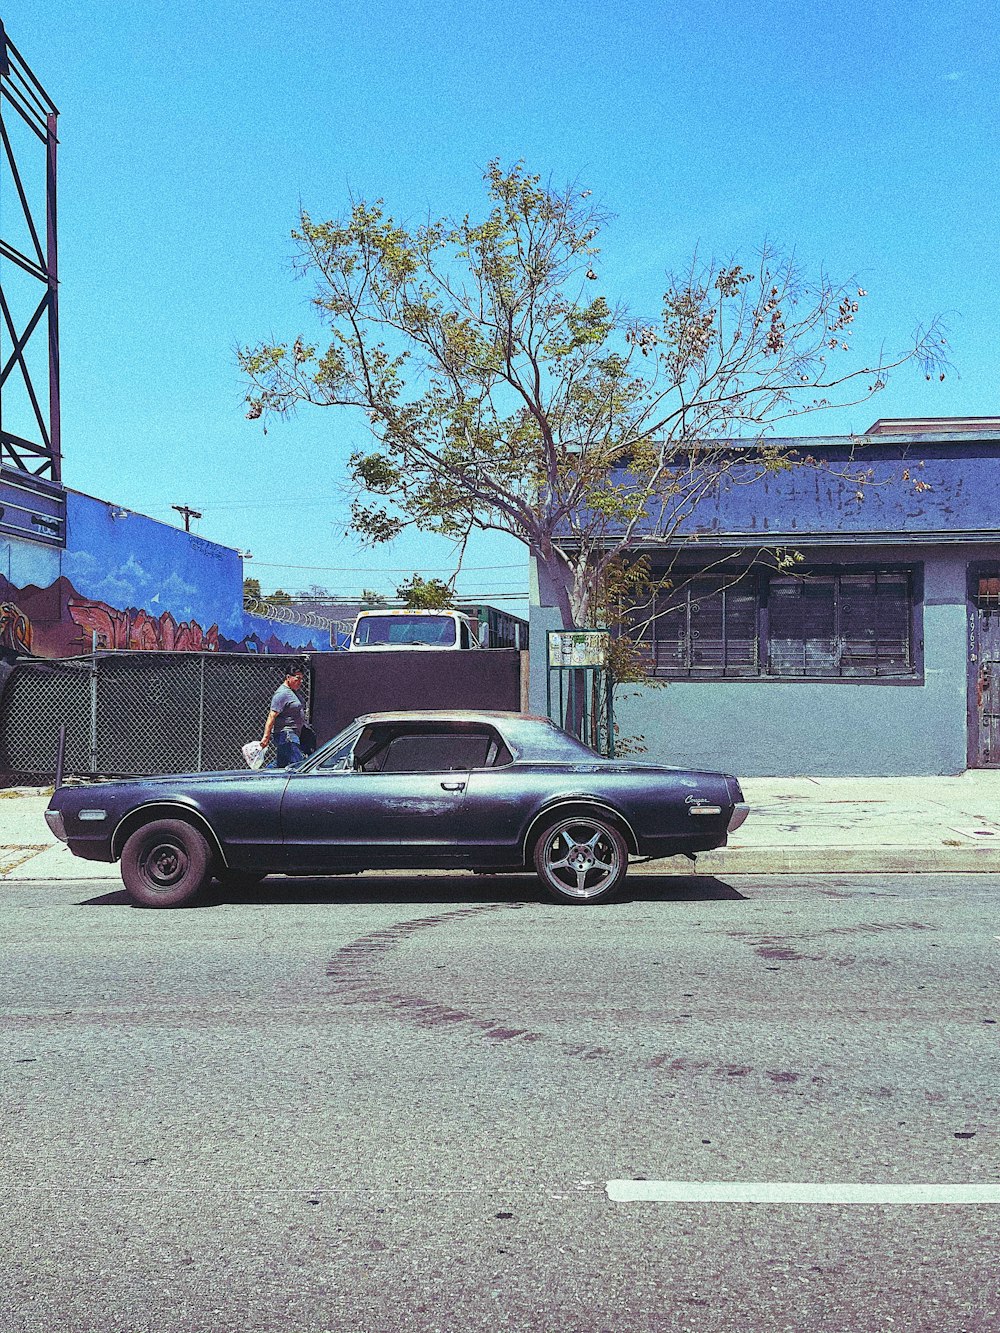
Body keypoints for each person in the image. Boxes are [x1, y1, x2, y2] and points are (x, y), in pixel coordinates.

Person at [261, 665, 307, 768]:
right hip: (286, 734)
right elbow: (272, 716)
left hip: (293, 733)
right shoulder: (282, 694)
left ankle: (264, 776)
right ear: (288, 677)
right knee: (298, 764)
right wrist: (266, 737)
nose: (300, 681)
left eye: (301, 679)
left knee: (281, 764)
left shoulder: (293, 692)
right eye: (297, 678)